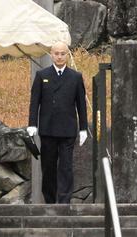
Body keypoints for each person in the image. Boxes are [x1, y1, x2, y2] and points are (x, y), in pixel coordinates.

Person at [27, 42, 88, 204]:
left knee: (66, 167)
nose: (59, 56)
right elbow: (35, 102)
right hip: (47, 129)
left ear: (67, 55)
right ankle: (50, 199)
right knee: (48, 167)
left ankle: (64, 201)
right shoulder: (42, 75)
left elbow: (81, 104)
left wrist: (83, 128)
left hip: (68, 129)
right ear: (51, 55)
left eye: (62, 53)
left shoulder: (75, 76)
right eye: (56, 53)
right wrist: (32, 123)